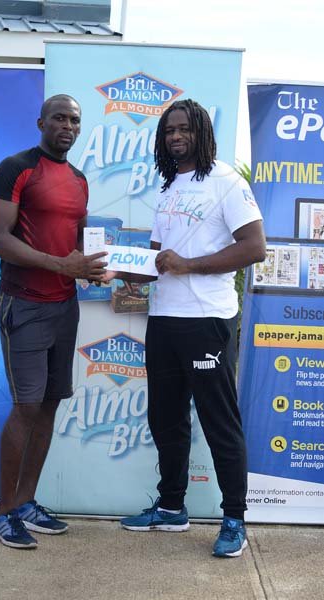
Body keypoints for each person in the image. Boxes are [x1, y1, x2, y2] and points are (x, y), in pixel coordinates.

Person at [104, 99, 266, 558]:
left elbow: (254, 247)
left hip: (207, 322)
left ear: (201, 132)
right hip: (165, 320)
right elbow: (156, 262)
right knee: (165, 418)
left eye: (184, 129)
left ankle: (234, 516)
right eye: (169, 130)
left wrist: (191, 265)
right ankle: (173, 507)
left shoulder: (227, 184)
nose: (176, 137)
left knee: (219, 422)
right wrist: (116, 272)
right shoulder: (169, 186)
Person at [0, 94, 107, 549]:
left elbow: (79, 243)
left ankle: (26, 502)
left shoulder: (79, 179)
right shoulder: (15, 168)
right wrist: (59, 266)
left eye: (75, 121)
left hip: (64, 306)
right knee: (26, 407)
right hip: (24, 301)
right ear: (41, 122)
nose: (68, 126)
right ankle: (2, 514)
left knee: (51, 404)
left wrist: (102, 265)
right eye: (60, 118)